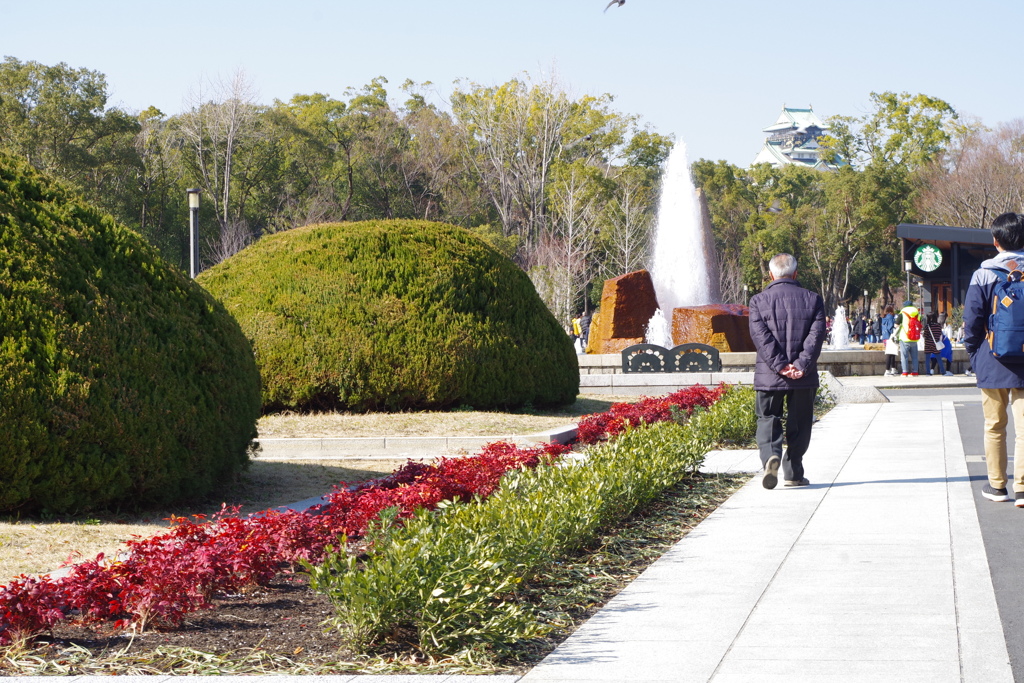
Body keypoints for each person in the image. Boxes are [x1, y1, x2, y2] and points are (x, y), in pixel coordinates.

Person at [748, 253, 827, 490]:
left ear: (771, 275)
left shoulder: (757, 301)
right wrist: (800, 365)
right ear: (795, 274)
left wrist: (780, 365)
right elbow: (817, 336)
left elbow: (760, 337)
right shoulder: (813, 299)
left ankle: (770, 456)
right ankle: (793, 472)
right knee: (800, 422)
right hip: (804, 377)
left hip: (769, 375)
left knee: (768, 417)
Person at [963, 211, 1024, 506]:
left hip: (993, 357)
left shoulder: (983, 273)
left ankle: (998, 486)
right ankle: (1023, 488)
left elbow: (972, 321)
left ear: (996, 241)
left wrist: (975, 354)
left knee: (994, 425)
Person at [894, 300, 923, 376]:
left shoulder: (902, 313)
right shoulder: (917, 313)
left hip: (904, 337)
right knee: (915, 357)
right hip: (915, 338)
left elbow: (896, 325)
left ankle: (905, 372)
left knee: (904, 356)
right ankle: (915, 372)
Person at [880, 305, 899, 376]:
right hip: (890, 337)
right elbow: (890, 327)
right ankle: (887, 370)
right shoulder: (890, 317)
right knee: (890, 354)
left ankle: (893, 368)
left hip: (885, 337)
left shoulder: (883, 318)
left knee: (891, 353)